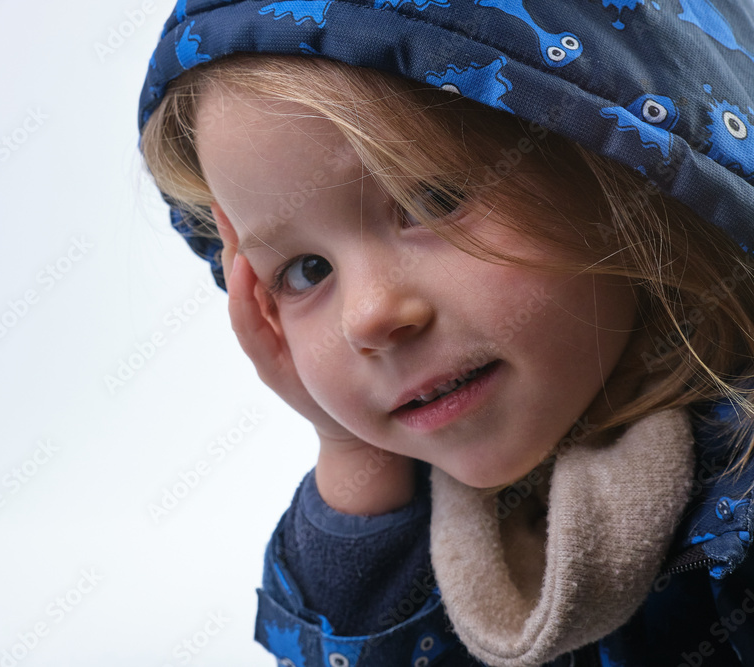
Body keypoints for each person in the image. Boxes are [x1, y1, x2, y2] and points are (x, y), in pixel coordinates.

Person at [137, 2, 754, 665]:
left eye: (433, 200)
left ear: (621, 165)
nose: (367, 317)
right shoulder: (436, 526)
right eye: (306, 271)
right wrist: (350, 454)